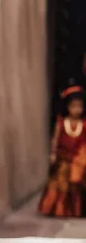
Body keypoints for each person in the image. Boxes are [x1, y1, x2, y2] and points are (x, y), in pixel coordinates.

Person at [39, 86, 86, 218]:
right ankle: (60, 210)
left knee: (77, 184)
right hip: (63, 158)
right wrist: (53, 153)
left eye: (79, 106)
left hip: (79, 158)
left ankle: (77, 210)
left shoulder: (84, 123)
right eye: (73, 106)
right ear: (67, 107)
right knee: (61, 184)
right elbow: (56, 138)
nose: (76, 109)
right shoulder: (62, 122)